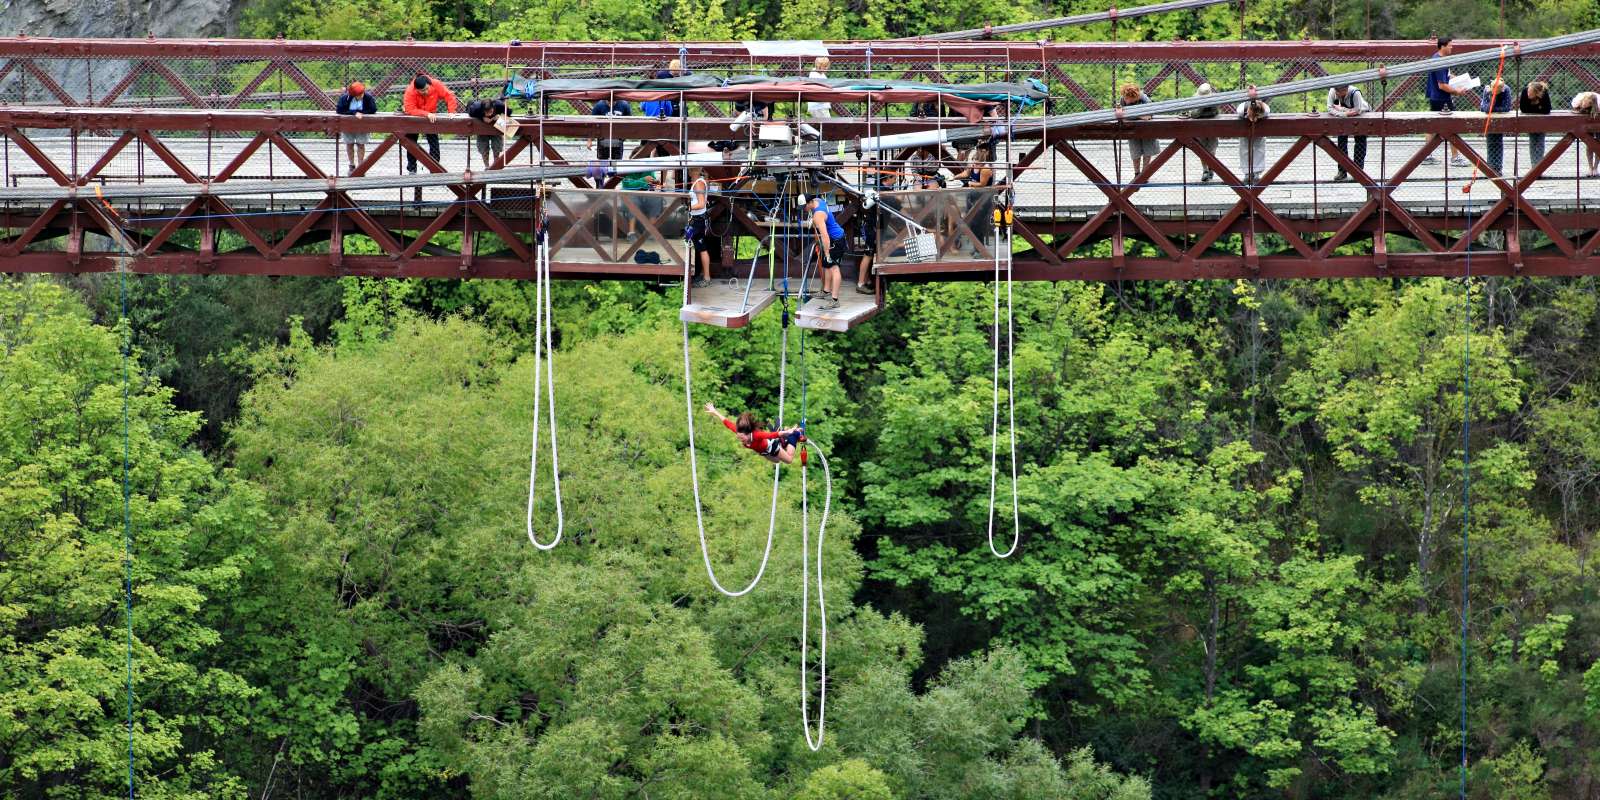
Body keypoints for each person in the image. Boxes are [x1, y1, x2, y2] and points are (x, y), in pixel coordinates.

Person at [703, 403, 804, 465]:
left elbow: (770, 435)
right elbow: (727, 422)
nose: (741, 440)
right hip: (764, 452)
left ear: (748, 434)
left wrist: (788, 432)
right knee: (777, 461)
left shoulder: (757, 435)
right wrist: (715, 412)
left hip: (772, 448)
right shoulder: (739, 432)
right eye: (739, 438)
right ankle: (783, 441)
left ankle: (793, 436)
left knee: (789, 460)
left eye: (742, 438)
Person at [1424, 36, 1470, 166]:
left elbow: (1447, 76)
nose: (1452, 47)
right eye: (1450, 45)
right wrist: (1457, 92)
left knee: (1431, 126)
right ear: (1443, 46)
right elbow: (1442, 85)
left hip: (1436, 98)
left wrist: (1459, 79)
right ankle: (1455, 158)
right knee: (1452, 126)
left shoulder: (1439, 58)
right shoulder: (1439, 62)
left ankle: (1427, 155)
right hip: (1441, 99)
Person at [402, 74, 459, 174]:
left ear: (430, 84)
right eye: (422, 91)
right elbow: (409, 109)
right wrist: (426, 114)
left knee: (433, 142)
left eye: (427, 89)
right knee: (411, 141)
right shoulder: (410, 91)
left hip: (431, 118)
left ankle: (435, 167)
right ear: (416, 89)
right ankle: (412, 168)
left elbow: (449, 96)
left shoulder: (436, 84)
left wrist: (451, 111)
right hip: (415, 118)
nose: (426, 92)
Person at [806, 193, 845, 309]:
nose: (804, 209)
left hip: (835, 239)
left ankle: (835, 300)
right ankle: (826, 290)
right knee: (826, 265)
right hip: (833, 237)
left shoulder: (818, 215)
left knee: (834, 267)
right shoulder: (819, 201)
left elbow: (825, 235)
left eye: (804, 206)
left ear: (810, 203)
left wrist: (827, 252)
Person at [1327, 83, 1370, 181]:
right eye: (1336, 91)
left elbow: (1358, 110)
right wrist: (1344, 113)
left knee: (1360, 141)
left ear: (1346, 90)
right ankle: (1342, 171)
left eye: (1340, 92)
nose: (1337, 94)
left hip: (1362, 115)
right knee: (1341, 141)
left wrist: (1342, 111)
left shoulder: (1355, 93)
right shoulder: (1332, 90)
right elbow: (1330, 108)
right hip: (1344, 116)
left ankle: (1358, 172)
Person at [1178, 83, 1220, 182]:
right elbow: (1194, 114)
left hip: (1211, 127)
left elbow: (1215, 112)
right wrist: (1202, 108)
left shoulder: (1215, 98)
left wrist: (1204, 110)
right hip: (1199, 127)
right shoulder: (1195, 98)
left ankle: (1211, 168)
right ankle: (1205, 170)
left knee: (1212, 149)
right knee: (1202, 150)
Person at [335, 80, 376, 176]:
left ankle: (361, 166)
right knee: (349, 144)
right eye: (359, 94)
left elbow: (373, 109)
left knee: (361, 144)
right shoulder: (345, 98)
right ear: (353, 94)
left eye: (362, 93)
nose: (362, 95)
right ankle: (352, 165)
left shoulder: (367, 97)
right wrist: (354, 113)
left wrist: (362, 113)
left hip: (362, 124)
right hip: (348, 124)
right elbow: (339, 110)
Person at [1119, 83, 1160, 177]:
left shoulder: (1144, 98)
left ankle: (1145, 174)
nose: (1126, 100)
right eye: (1125, 98)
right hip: (1132, 128)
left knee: (1148, 150)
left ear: (1135, 96)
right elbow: (1122, 115)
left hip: (1147, 128)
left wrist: (1131, 116)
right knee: (1135, 151)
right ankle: (1137, 173)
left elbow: (1151, 114)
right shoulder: (1122, 99)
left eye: (1127, 98)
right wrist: (1140, 116)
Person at [687, 166, 713, 287]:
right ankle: (703, 274)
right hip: (697, 219)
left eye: (689, 169)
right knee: (700, 247)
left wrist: (687, 208)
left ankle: (706, 277)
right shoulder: (699, 182)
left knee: (695, 245)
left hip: (697, 220)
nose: (687, 171)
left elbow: (701, 204)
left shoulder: (698, 184)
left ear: (693, 171)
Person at [1480, 78, 1512, 175]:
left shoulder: (1506, 90)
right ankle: (1490, 168)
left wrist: (1492, 108)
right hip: (1489, 119)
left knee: (1498, 143)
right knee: (1490, 143)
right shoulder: (1487, 90)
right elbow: (1484, 108)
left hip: (1500, 119)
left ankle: (1498, 168)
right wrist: (1491, 98)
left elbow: (1507, 108)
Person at [465, 98, 507, 168]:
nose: (489, 114)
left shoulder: (499, 105)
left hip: (496, 127)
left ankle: (495, 166)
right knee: (483, 147)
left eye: (490, 111)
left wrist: (500, 117)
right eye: (486, 112)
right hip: (482, 127)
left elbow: (509, 112)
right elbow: (469, 111)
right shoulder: (476, 108)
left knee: (497, 146)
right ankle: (486, 166)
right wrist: (482, 118)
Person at [1238, 95, 1270, 185]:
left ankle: (1256, 173)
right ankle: (1247, 173)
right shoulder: (1241, 109)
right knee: (1244, 148)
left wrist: (1258, 119)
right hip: (1244, 125)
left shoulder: (1266, 110)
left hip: (1261, 126)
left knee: (1259, 147)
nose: (1254, 119)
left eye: (1256, 116)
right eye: (1252, 116)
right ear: (1248, 110)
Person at [1520, 80, 1552, 163]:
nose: (1528, 94)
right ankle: (1534, 165)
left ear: (1537, 93)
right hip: (1530, 120)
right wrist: (1539, 108)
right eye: (1528, 91)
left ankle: (1539, 164)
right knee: (1533, 141)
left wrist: (1532, 109)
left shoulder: (1544, 92)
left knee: (1540, 140)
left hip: (1542, 121)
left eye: (1530, 93)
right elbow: (1523, 109)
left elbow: (1547, 109)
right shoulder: (1524, 91)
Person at [591, 97, 631, 162]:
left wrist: (624, 136)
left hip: (618, 137)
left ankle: (614, 171)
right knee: (603, 161)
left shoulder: (624, 105)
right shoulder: (599, 105)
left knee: (616, 161)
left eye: (614, 101)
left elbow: (629, 122)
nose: (611, 104)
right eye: (609, 102)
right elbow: (592, 123)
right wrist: (590, 140)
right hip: (603, 138)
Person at [1574, 91, 1600, 176]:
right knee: (1589, 145)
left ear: (1591, 103)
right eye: (1584, 103)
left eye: (1587, 103)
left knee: (1598, 144)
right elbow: (1574, 109)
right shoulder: (1578, 100)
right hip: (1586, 122)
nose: (1585, 104)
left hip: (1598, 120)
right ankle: (1590, 168)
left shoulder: (1598, 103)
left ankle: (1596, 168)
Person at [806, 56, 832, 120]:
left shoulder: (821, 74)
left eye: (827, 66)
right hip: (819, 105)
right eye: (825, 66)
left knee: (824, 123)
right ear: (819, 66)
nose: (827, 68)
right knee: (827, 123)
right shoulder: (815, 75)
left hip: (821, 104)